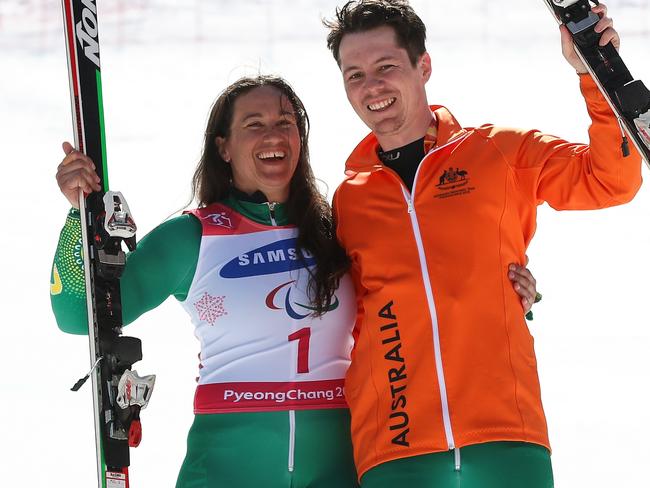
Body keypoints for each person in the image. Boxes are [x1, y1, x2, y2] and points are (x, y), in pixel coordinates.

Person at [51, 76, 540, 486]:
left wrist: (513, 287)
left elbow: (426, 280)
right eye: (254, 124)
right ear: (223, 146)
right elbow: (79, 316)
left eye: (286, 123)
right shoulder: (192, 235)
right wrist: (78, 217)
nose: (273, 135)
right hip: (228, 461)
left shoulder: (340, 226)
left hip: (337, 460)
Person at [323, 1, 642, 487]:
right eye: (355, 75)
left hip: (506, 434)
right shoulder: (348, 200)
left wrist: (592, 77)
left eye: (386, 67)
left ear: (423, 65)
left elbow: (608, 181)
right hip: (396, 447)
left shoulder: (499, 152)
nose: (372, 87)